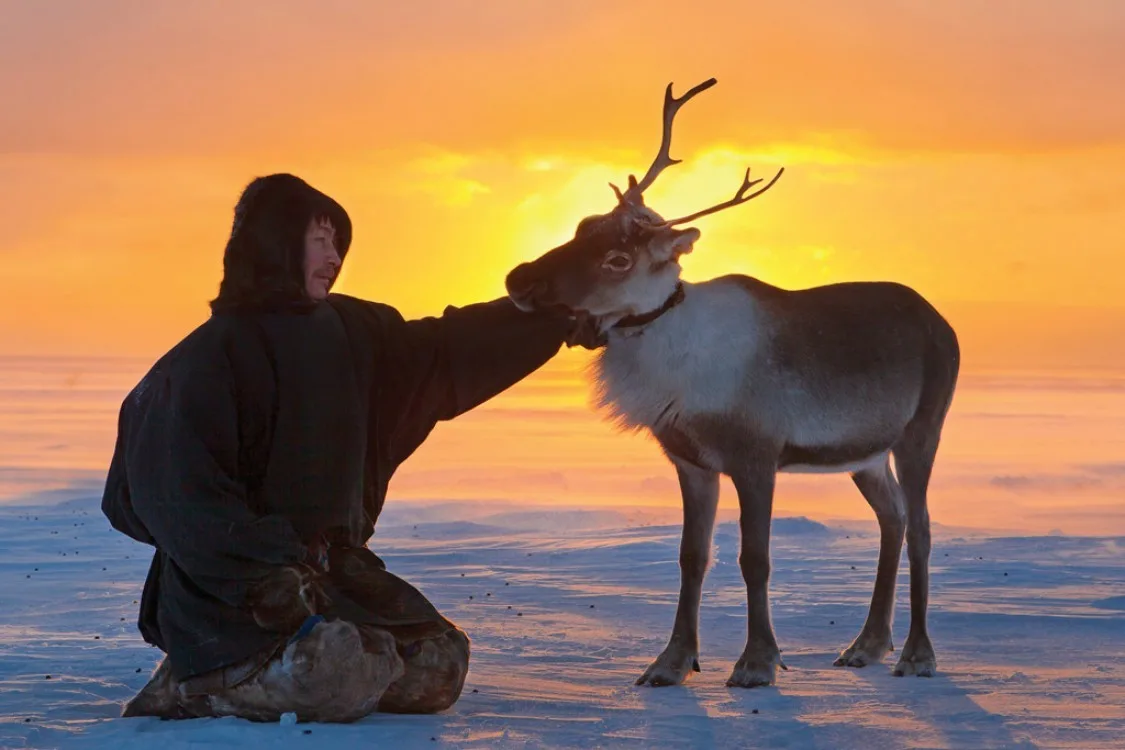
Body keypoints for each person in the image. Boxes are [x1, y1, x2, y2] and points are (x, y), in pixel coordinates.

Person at [101, 173, 601, 723]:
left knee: (439, 665)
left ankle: (297, 669)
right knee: (331, 673)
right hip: (229, 591)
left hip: (333, 572)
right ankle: (194, 684)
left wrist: (555, 315)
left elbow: (443, 352)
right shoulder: (202, 360)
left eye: (337, 241)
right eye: (319, 240)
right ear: (275, 242)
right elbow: (166, 497)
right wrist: (265, 573)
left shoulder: (356, 330)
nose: (334, 256)